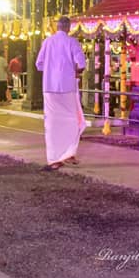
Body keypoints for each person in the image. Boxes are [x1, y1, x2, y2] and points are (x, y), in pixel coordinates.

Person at [35, 16, 87, 170]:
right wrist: (73, 72)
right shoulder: (72, 42)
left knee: (51, 123)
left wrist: (52, 70)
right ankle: (69, 153)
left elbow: (39, 64)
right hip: (67, 87)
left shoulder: (47, 41)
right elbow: (82, 64)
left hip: (49, 87)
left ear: (56, 27)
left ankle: (54, 159)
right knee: (72, 121)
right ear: (68, 28)